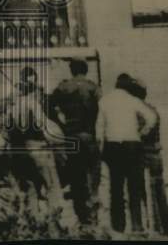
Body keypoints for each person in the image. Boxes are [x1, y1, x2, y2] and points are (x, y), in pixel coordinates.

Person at [97, 72, 157, 233]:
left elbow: (99, 128)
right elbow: (151, 117)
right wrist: (142, 132)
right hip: (132, 145)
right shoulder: (132, 100)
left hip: (113, 146)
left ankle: (118, 226)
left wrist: (101, 149)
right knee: (134, 187)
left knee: (116, 187)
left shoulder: (104, 100)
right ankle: (137, 225)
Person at [3, 66, 62, 210]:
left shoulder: (12, 105)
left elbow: (6, 130)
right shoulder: (34, 103)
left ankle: (33, 217)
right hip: (38, 147)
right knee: (51, 184)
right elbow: (43, 124)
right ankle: (53, 215)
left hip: (20, 149)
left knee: (30, 187)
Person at [51, 58, 101, 224]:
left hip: (71, 136)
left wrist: (62, 124)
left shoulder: (63, 87)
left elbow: (50, 106)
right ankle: (93, 215)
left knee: (76, 178)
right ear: (85, 70)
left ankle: (82, 218)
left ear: (71, 70)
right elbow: (101, 110)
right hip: (90, 136)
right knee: (92, 177)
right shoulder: (93, 88)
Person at [124, 77, 168, 236]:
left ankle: (148, 229)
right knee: (159, 192)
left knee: (140, 193)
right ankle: (165, 228)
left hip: (142, 156)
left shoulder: (136, 113)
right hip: (156, 155)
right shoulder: (152, 110)